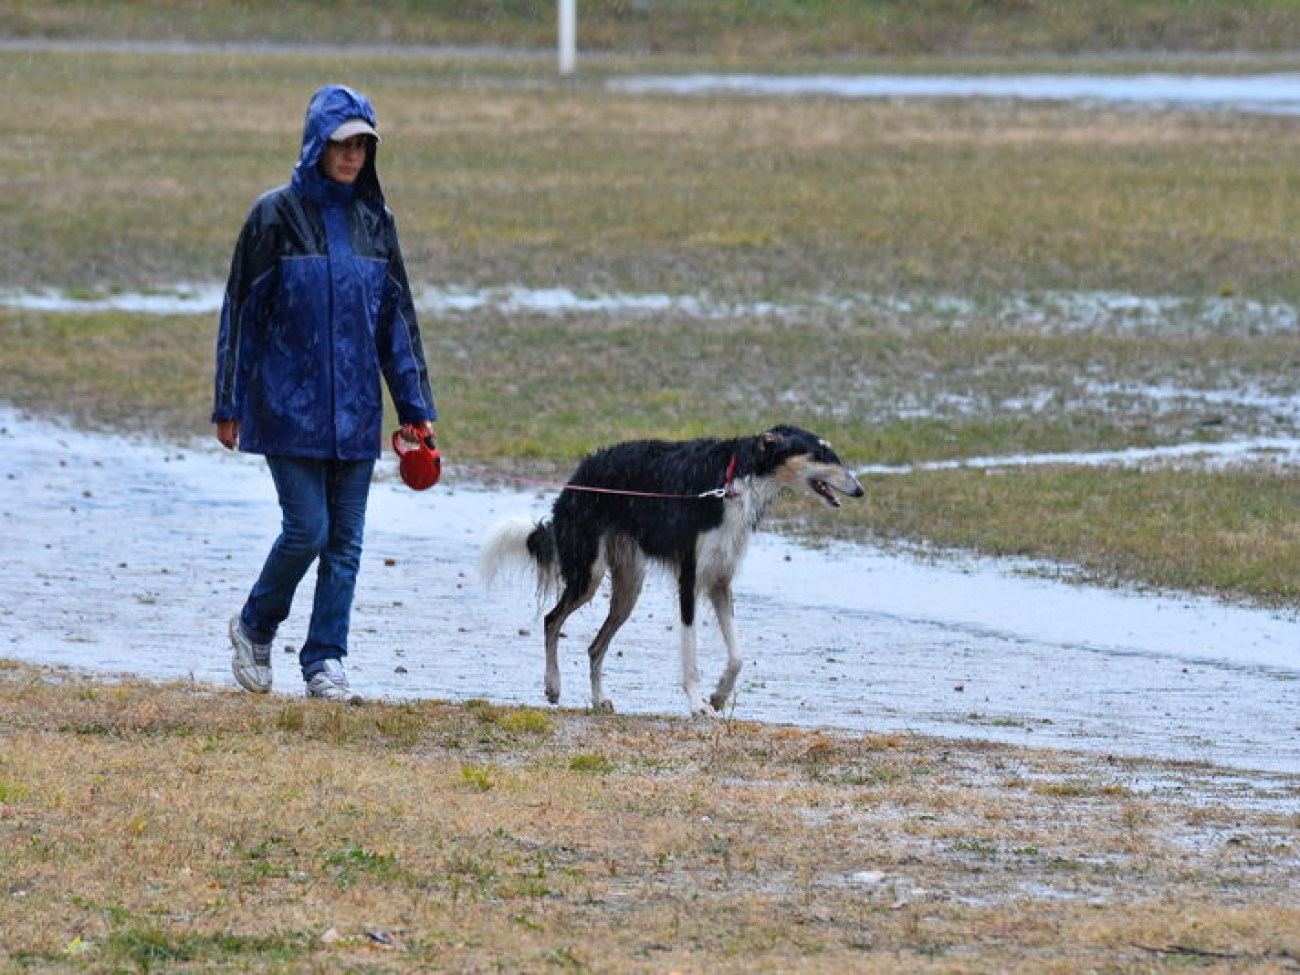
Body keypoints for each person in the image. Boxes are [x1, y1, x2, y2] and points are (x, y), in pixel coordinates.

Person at [212, 84, 437, 703]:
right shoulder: (272, 217)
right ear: (318, 144)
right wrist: (228, 403)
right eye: (342, 143)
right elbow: (241, 314)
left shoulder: (376, 224)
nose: (353, 155)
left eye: (363, 145)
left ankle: (325, 661)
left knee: (346, 544)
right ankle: (255, 625)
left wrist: (416, 410)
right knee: (307, 530)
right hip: (287, 411)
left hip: (358, 415)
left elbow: (398, 322)